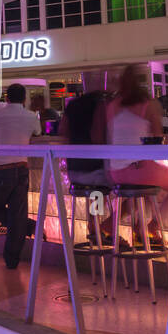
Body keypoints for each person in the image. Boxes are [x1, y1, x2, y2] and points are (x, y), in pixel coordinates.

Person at [106, 64, 168, 248]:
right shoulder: (148, 104)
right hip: (139, 169)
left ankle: (114, 224)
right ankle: (152, 228)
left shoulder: (112, 106)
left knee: (136, 194)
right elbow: (158, 139)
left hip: (115, 171)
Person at [60, 90, 121, 249]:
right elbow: (98, 137)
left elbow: (62, 132)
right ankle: (100, 226)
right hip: (95, 172)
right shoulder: (101, 106)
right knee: (113, 188)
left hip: (74, 172)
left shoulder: (72, 105)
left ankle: (95, 225)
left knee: (98, 191)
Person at [0, 84, 40, 269]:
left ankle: (25, 226)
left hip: (2, 169)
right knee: (17, 214)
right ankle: (12, 260)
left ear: (7, 98)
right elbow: (38, 133)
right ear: (24, 99)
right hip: (22, 169)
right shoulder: (31, 116)